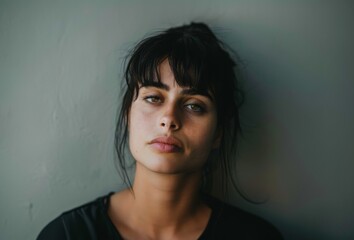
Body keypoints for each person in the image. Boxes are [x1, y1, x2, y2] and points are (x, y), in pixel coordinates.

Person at [37, 22, 283, 239]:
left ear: (218, 132)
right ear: (128, 116)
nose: (168, 119)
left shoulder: (256, 237)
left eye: (194, 105)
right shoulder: (67, 235)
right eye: (154, 98)